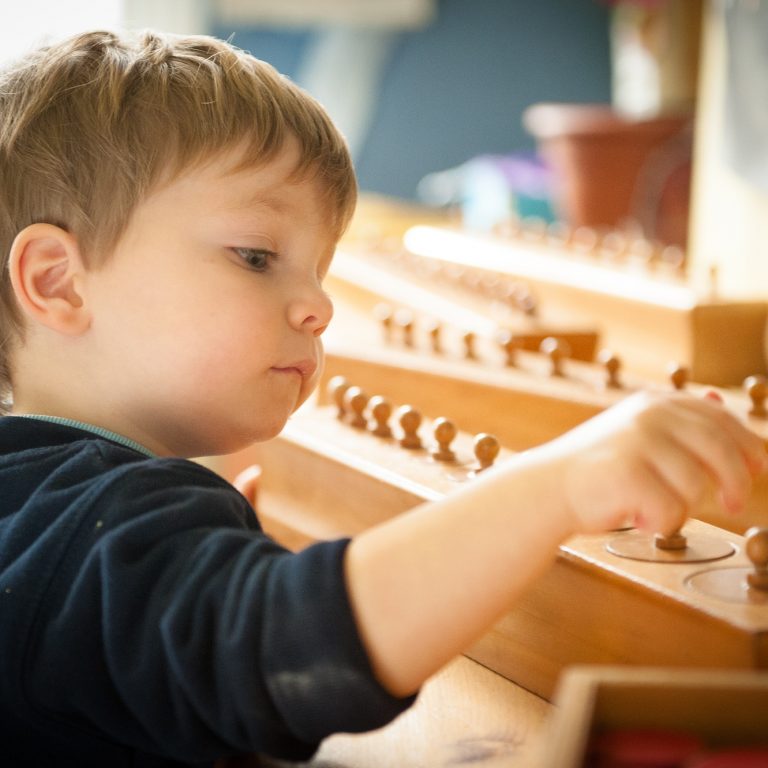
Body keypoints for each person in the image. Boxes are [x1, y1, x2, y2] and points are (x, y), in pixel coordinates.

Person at [0, 29, 764, 768]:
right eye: (258, 257)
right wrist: (561, 482)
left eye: (320, 272)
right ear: (58, 281)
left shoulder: (45, 510)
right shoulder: (88, 530)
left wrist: (203, 571)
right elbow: (291, 664)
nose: (317, 308)